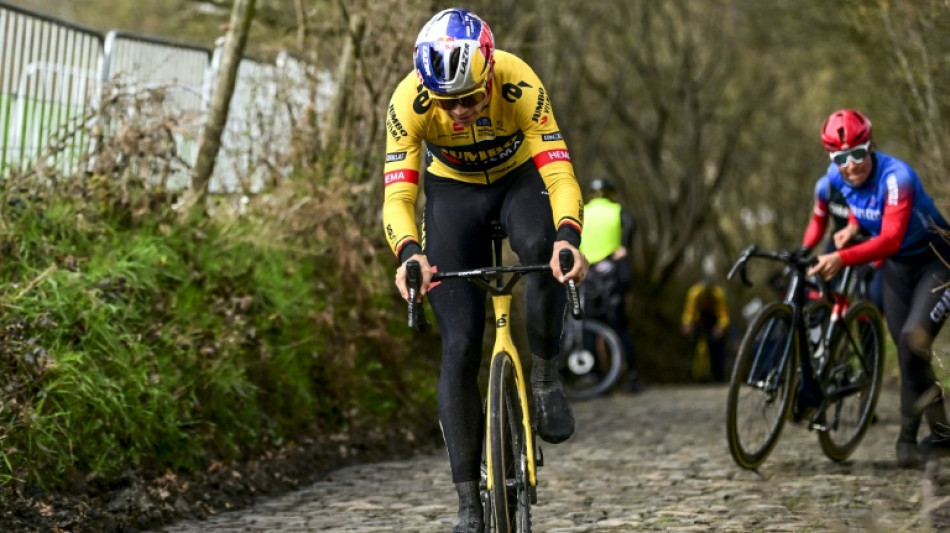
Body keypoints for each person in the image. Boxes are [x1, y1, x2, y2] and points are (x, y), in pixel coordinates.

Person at [382, 9, 589, 532]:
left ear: (490, 72)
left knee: (544, 250)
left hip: (519, 182)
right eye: (447, 102)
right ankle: (469, 504)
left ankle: (545, 378)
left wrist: (569, 237)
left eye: (471, 98)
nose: (459, 112)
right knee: (459, 342)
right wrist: (409, 253)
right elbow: (399, 196)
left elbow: (560, 173)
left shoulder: (519, 82)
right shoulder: (409, 101)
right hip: (452, 193)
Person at [807, 108, 950, 469]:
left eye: (858, 153)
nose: (851, 165)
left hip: (937, 262)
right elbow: (861, 204)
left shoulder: (897, 177)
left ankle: (912, 437)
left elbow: (889, 239)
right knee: (908, 352)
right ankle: (941, 434)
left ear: (870, 146)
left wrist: (842, 257)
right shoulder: (835, 177)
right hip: (898, 269)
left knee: (913, 341)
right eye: (841, 157)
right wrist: (853, 227)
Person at [579, 177, 643, 392]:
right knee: (619, 327)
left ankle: (593, 374)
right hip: (611, 271)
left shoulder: (583, 211)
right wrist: (624, 245)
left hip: (588, 273)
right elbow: (631, 224)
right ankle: (631, 376)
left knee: (589, 327)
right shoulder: (616, 210)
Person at [801, 174, 884, 309]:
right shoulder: (825, 186)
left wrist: (874, 264)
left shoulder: (874, 188)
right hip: (839, 242)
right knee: (815, 289)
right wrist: (805, 248)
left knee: (872, 301)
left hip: (871, 246)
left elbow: (888, 236)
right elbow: (818, 221)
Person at [680, 277, 731, 382]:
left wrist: (721, 326)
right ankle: (694, 374)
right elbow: (689, 310)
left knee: (717, 345)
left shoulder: (718, 294)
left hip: (714, 320)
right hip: (700, 320)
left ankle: (718, 375)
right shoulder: (695, 292)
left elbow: (723, 314)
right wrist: (687, 323)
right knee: (694, 342)